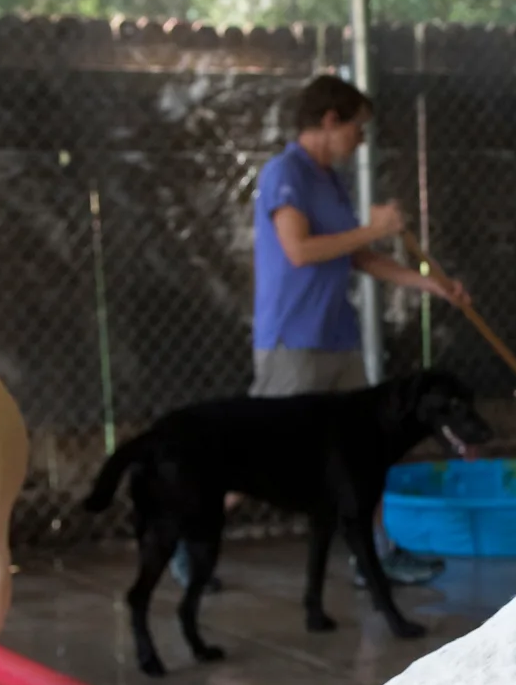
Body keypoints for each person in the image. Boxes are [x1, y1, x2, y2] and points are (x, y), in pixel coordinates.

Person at [174, 74, 469, 592]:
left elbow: (355, 253)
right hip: (295, 339)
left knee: (367, 449)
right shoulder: (285, 173)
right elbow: (300, 250)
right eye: (357, 127)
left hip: (337, 336)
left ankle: (376, 555)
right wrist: (375, 228)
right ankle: (186, 537)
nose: (361, 139)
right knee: (257, 454)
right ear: (329, 121)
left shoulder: (329, 178)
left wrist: (429, 284)